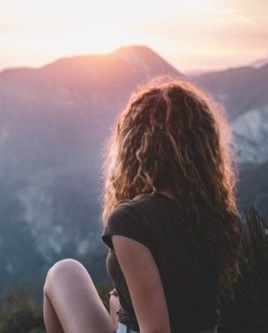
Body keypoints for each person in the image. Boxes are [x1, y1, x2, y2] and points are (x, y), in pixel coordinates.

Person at [42, 77, 242, 333]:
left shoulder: (131, 221)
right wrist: (120, 307)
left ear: (136, 146)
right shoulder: (218, 217)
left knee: (64, 272)